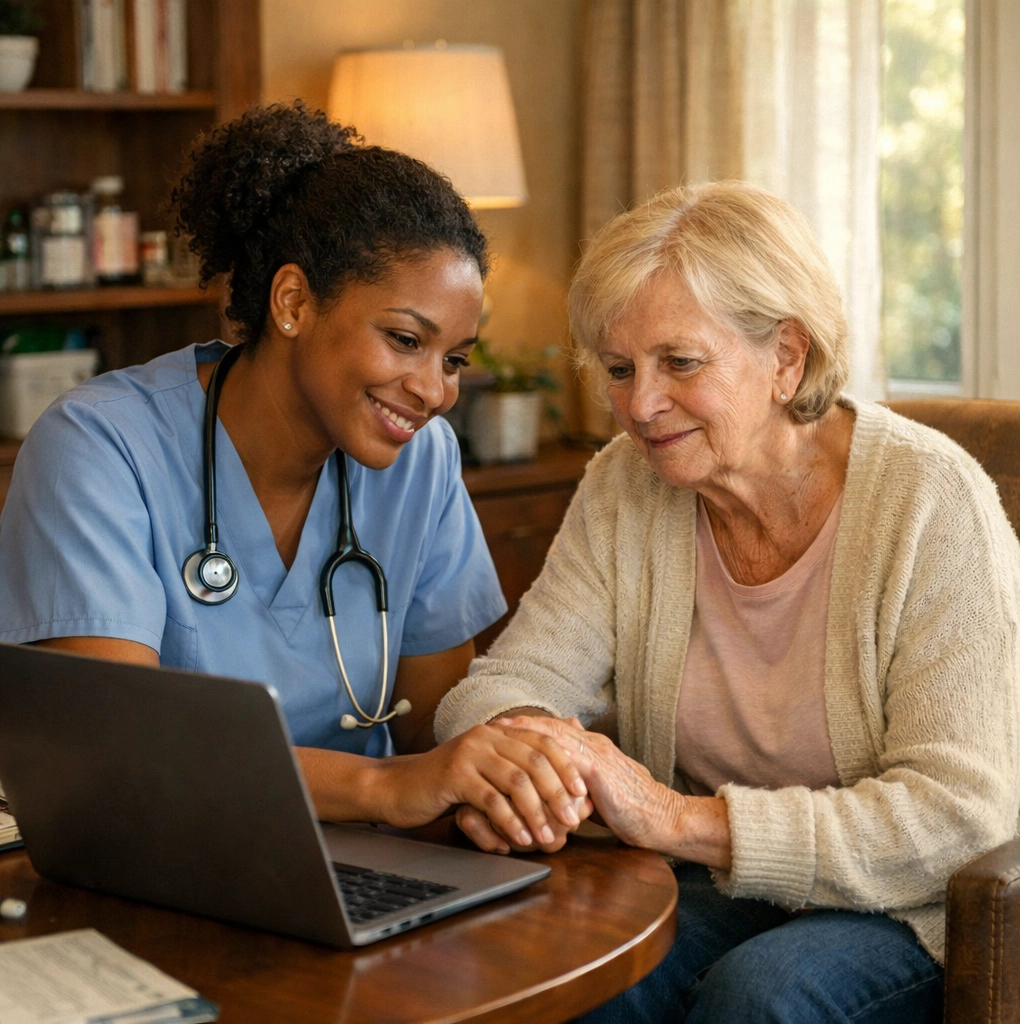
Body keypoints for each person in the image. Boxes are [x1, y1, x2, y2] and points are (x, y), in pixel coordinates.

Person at [435, 180, 1020, 1022]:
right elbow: (495, 690)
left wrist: (676, 819)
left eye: (680, 363)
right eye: (619, 368)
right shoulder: (625, 485)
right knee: (568, 971)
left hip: (906, 904)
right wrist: (524, 767)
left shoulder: (932, 501)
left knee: (760, 999)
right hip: (714, 882)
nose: (640, 406)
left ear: (787, 357)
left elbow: (957, 821)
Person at [0, 103, 588, 853]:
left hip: (373, 859)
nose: (435, 390)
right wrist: (386, 787)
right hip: (162, 861)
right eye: (405, 339)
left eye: (454, 359)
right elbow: (119, 754)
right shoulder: (100, 447)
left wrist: (515, 759)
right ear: (293, 302)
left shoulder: (423, 463)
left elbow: (431, 724)